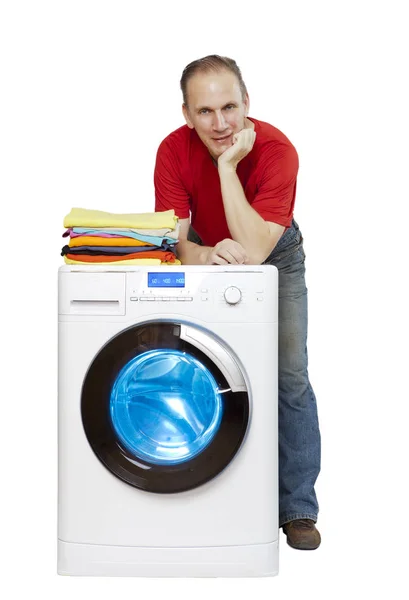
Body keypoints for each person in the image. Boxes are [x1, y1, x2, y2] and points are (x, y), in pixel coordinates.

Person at [154, 55, 321, 550]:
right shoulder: (172, 150)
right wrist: (202, 253)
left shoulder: (276, 150)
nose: (221, 123)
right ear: (186, 114)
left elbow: (254, 251)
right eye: (205, 112)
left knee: (288, 374)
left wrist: (227, 167)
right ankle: (204, 493)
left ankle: (297, 509)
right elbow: (172, 243)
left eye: (230, 106)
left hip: (276, 253)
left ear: (247, 102)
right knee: (198, 364)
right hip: (205, 250)